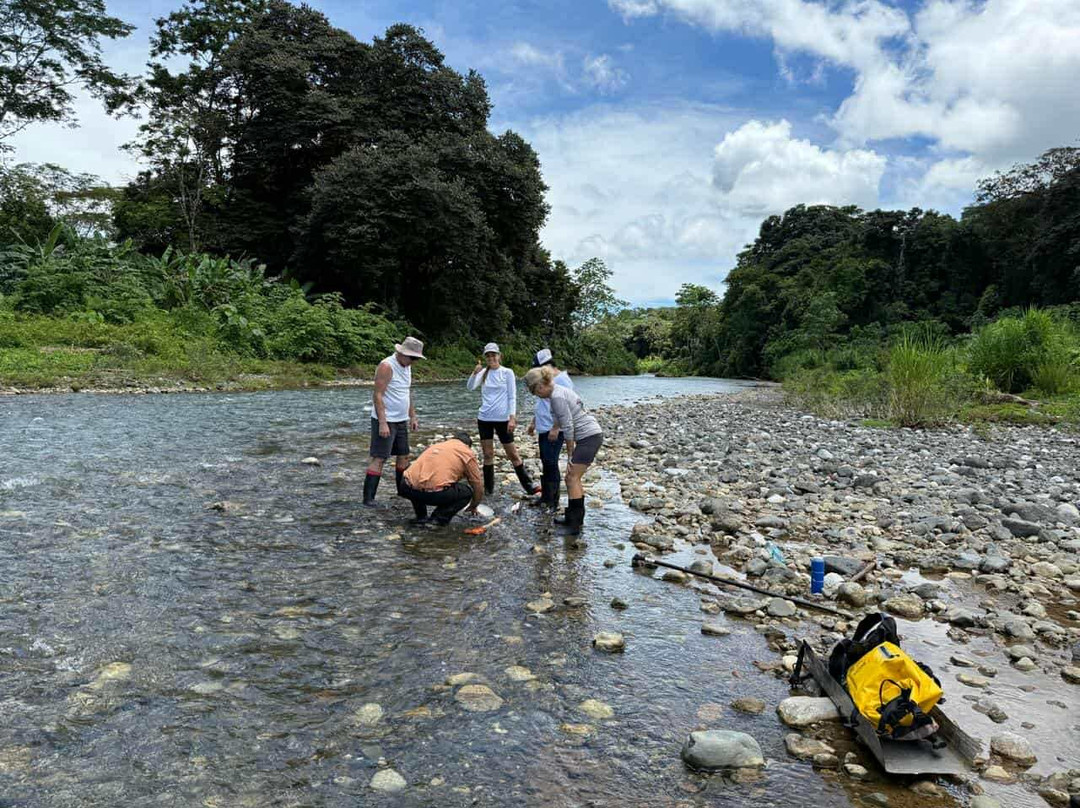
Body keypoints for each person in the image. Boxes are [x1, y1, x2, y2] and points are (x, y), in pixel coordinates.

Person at [523, 366, 603, 534]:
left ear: (541, 385)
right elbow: (563, 420)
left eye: (535, 392)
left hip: (589, 437)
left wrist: (570, 454)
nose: (537, 395)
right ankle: (574, 519)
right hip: (591, 436)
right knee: (573, 478)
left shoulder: (557, 396)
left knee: (571, 478)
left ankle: (573, 525)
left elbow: (568, 426)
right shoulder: (558, 391)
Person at [467, 343, 539, 496]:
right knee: (488, 455)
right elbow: (470, 387)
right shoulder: (483, 373)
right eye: (488, 355)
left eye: (494, 354)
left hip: (503, 420)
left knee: (513, 454)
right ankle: (488, 490)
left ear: (499, 356)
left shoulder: (507, 373)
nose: (491, 357)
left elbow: (512, 396)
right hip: (484, 418)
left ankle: (529, 486)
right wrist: (474, 373)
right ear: (486, 357)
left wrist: (512, 418)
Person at [364, 336, 424, 507]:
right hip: (386, 420)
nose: (414, 362)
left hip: (401, 419)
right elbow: (377, 395)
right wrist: (382, 422)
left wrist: (412, 415)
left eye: (416, 359)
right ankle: (368, 500)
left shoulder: (407, 366)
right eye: (412, 358)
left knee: (403, 455)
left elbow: (407, 392)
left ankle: (402, 492)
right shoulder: (386, 366)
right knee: (379, 458)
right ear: (402, 353)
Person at [398, 432, 483, 524]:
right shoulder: (467, 453)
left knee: (418, 480)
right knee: (466, 492)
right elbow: (478, 485)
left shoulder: (437, 446)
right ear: (468, 445)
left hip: (405, 487)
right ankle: (438, 518)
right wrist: (474, 505)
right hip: (434, 494)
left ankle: (421, 517)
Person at [526, 348, 574, 508]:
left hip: (554, 429)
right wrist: (533, 422)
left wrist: (556, 428)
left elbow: (566, 407)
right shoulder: (549, 380)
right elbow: (542, 403)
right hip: (543, 426)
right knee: (546, 462)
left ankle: (552, 500)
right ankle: (546, 497)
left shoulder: (562, 380)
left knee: (551, 462)